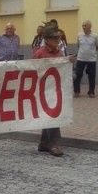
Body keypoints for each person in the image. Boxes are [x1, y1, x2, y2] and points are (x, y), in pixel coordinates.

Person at [33, 26, 74, 157]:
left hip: (55, 89)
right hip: (43, 89)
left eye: (58, 37)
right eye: (55, 38)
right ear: (47, 39)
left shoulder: (59, 53)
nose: (58, 40)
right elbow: (32, 70)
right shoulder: (40, 53)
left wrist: (69, 62)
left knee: (51, 114)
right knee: (53, 115)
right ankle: (54, 144)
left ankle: (44, 143)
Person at [73, 20, 98, 98]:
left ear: (90, 27)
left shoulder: (95, 36)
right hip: (80, 58)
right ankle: (76, 91)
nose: (83, 27)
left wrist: (91, 51)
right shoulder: (79, 35)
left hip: (91, 59)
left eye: (85, 26)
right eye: (83, 26)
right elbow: (78, 45)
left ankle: (91, 92)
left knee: (91, 76)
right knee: (78, 75)